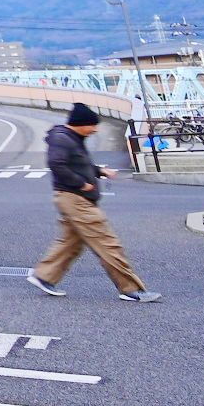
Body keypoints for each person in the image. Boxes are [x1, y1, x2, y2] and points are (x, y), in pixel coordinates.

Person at [29, 103, 159, 301]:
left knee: (71, 243)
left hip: (74, 199)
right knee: (107, 243)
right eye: (92, 125)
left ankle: (43, 276)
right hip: (76, 200)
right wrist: (81, 184)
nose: (95, 129)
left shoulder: (72, 137)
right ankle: (131, 289)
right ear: (81, 124)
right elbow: (56, 164)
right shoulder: (62, 139)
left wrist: (99, 171)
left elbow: (79, 163)